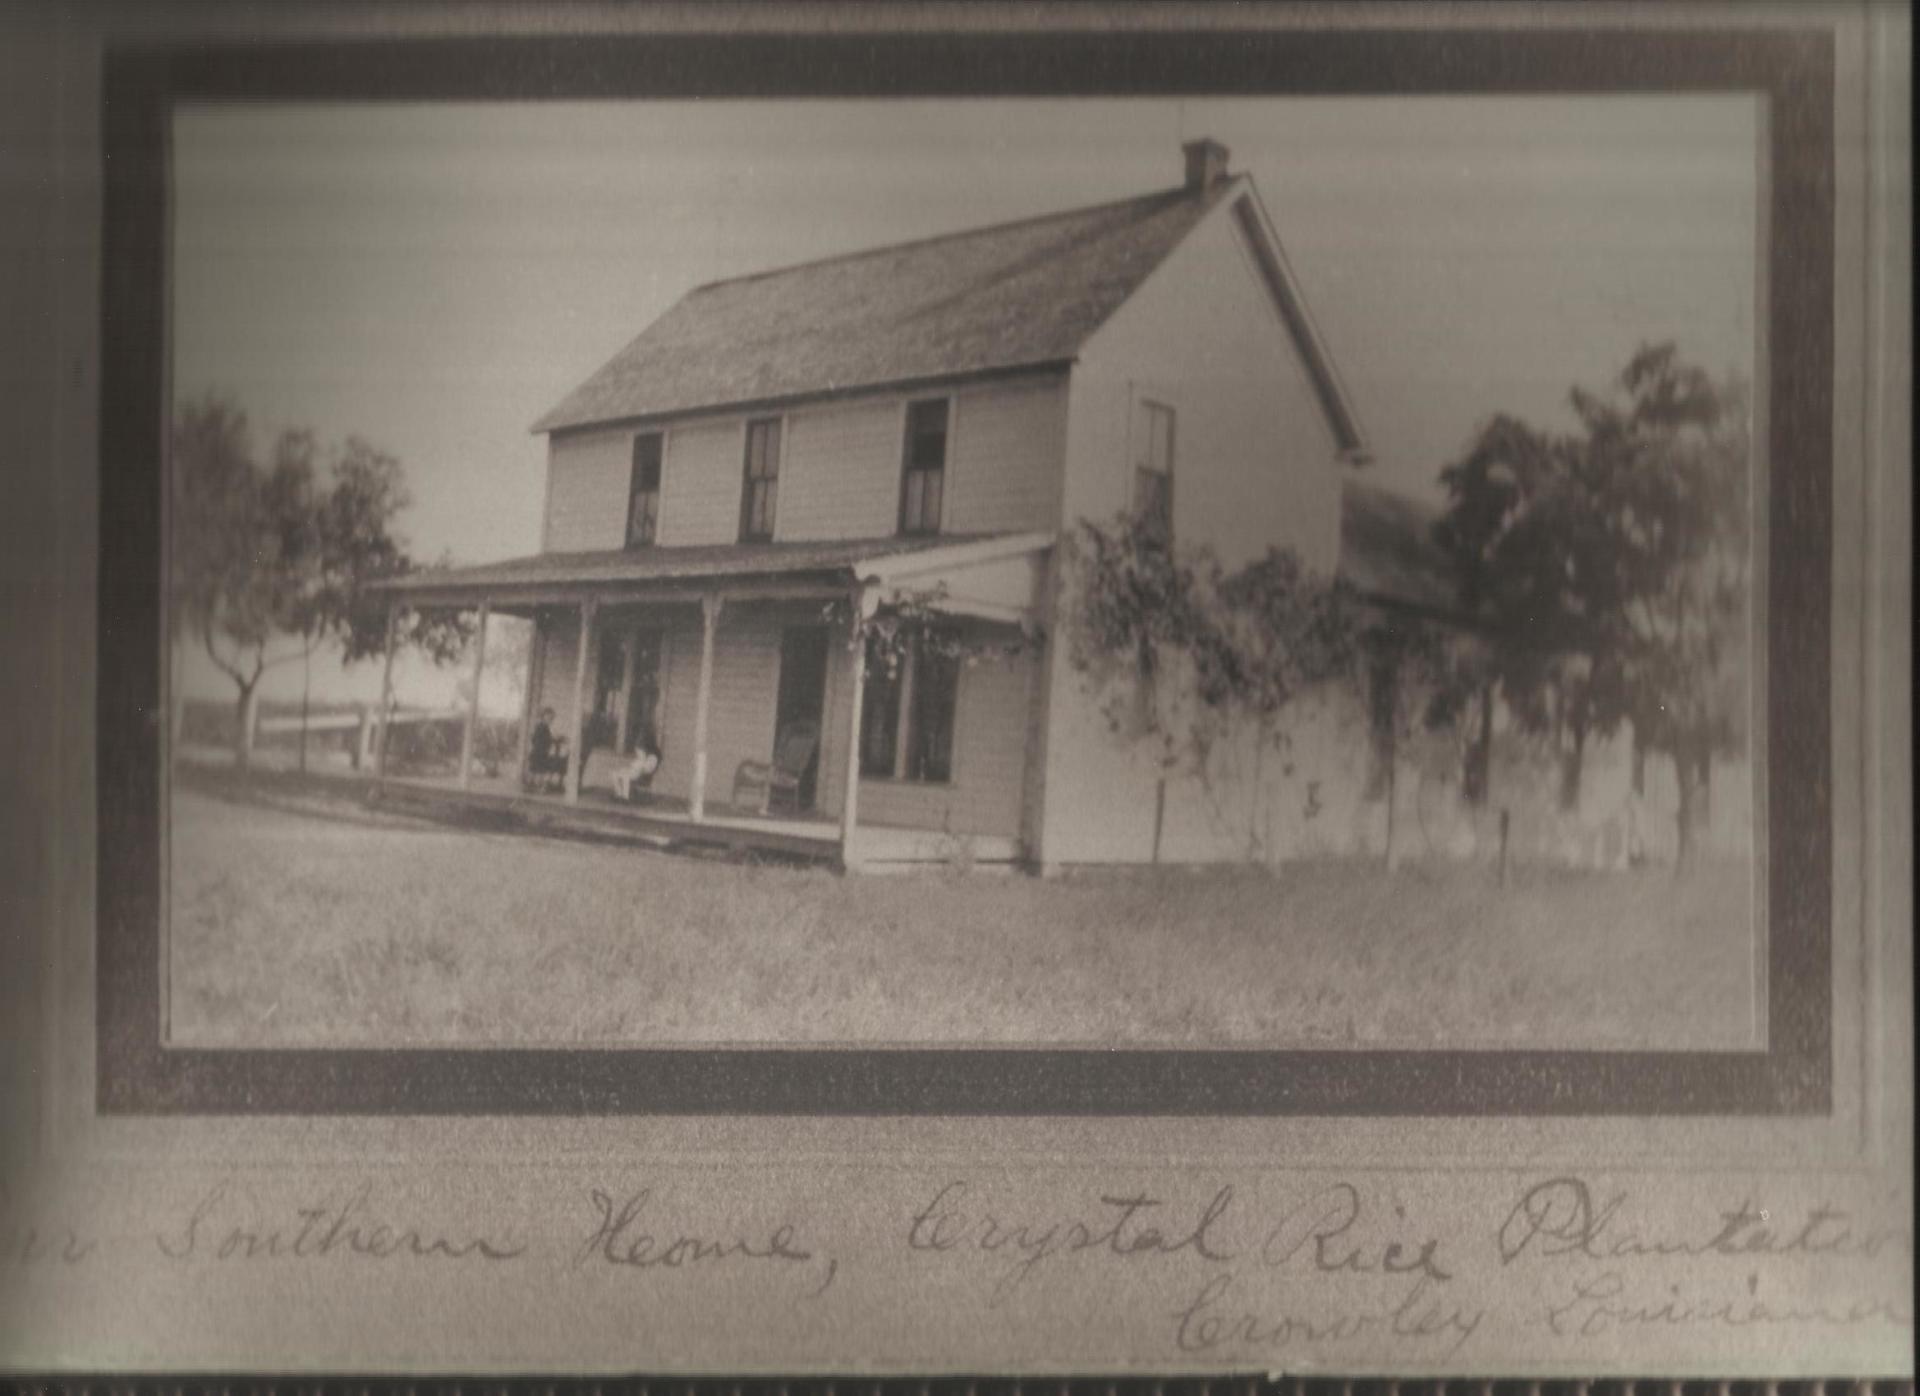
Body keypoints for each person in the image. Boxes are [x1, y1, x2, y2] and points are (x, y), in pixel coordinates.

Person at [527, 707, 568, 788]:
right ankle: (535, 784)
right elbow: (542, 738)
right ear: (543, 717)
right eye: (549, 718)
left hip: (541, 751)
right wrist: (556, 739)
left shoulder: (544, 727)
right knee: (538, 769)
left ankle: (534, 784)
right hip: (539, 752)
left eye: (552, 719)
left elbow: (547, 738)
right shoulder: (541, 726)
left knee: (538, 770)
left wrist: (558, 738)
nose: (550, 720)